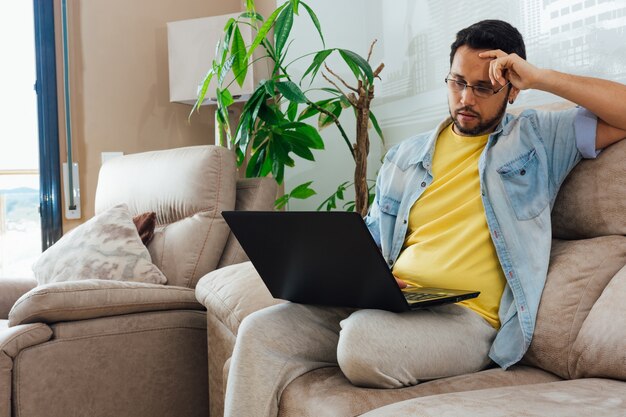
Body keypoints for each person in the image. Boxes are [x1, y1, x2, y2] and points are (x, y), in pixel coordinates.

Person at [223, 20, 626, 417]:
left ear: (513, 90)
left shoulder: (540, 138)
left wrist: (540, 77)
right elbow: (375, 238)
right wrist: (355, 274)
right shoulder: (406, 156)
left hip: (466, 322)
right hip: (394, 301)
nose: (466, 98)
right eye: (457, 82)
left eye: (482, 87)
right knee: (260, 331)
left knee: (362, 343)